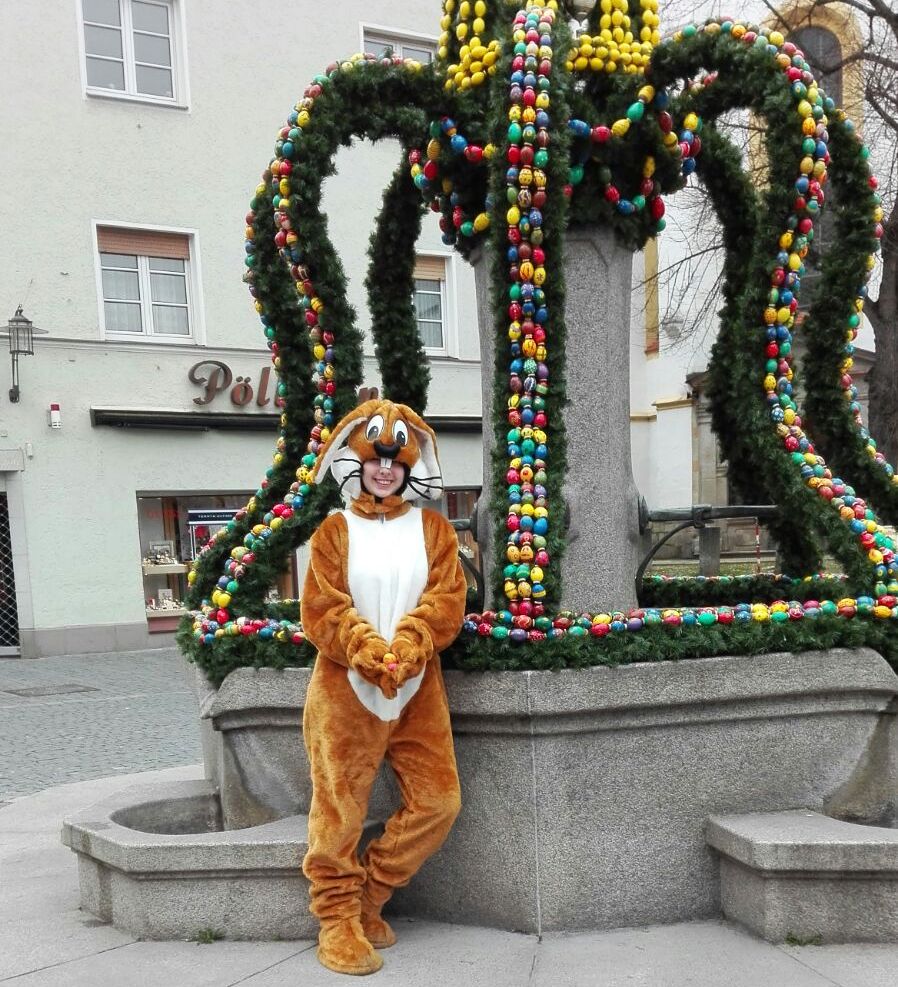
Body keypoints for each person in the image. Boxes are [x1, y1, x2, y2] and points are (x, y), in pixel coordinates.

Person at [300, 398, 467, 976]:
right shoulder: (333, 530)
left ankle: (370, 894)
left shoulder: (435, 529)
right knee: (339, 809)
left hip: (418, 689)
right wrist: (367, 650)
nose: (385, 468)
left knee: (440, 802)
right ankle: (338, 920)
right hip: (346, 692)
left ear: (410, 465)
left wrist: (411, 644)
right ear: (355, 457)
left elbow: (447, 600)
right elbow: (321, 607)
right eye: (375, 458)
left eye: (396, 460)